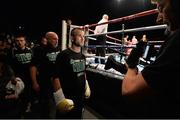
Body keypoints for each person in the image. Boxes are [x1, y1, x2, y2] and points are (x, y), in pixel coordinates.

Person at [121, 0, 180, 117]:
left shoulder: (177, 41)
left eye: (162, 8)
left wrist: (131, 65)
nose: (159, 20)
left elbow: (128, 90)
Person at [52, 28, 91, 119]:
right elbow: (55, 77)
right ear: (72, 38)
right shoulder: (63, 55)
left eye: (83, 36)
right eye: (79, 36)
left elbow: (83, 72)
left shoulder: (83, 56)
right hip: (68, 97)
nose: (82, 38)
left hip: (80, 97)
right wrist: (60, 99)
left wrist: (86, 85)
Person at [30, 31, 60, 118]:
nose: (56, 41)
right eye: (54, 39)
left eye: (57, 39)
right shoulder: (40, 50)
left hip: (57, 82)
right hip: (45, 82)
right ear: (47, 39)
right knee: (47, 105)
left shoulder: (59, 48)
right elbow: (33, 67)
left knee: (58, 103)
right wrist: (34, 82)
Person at [0, 53, 24, 118]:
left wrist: (16, 85)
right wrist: (6, 97)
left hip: (13, 108)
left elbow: (19, 89)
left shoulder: (9, 72)